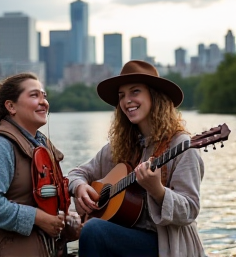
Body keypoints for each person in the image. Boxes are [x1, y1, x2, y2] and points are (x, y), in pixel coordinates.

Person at [68, 60, 206, 257]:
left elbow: (190, 209)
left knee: (93, 230)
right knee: (89, 226)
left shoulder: (182, 146)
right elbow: (76, 173)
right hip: (126, 238)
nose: (127, 101)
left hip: (166, 245)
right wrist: (80, 187)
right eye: (122, 96)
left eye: (135, 92)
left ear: (154, 96)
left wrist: (157, 190)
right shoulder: (120, 147)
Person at [0, 72, 80, 257]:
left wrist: (66, 219)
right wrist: (37, 218)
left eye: (44, 95)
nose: (43, 101)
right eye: (34, 95)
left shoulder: (42, 146)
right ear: (11, 106)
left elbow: (44, 200)